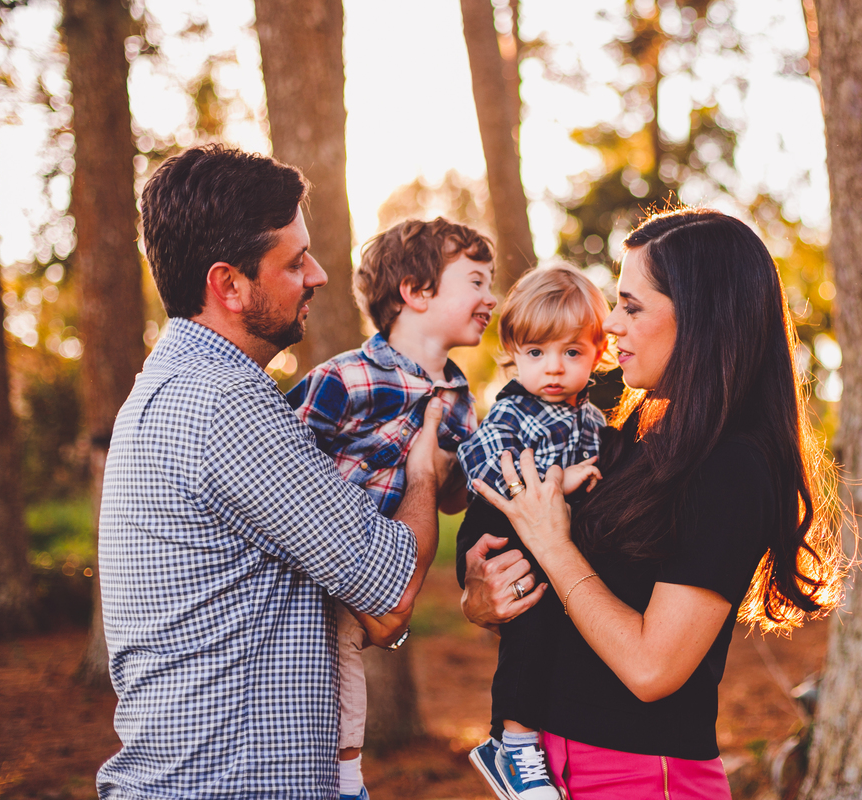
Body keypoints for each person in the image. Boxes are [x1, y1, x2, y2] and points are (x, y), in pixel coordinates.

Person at [96, 145, 452, 800]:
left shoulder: (173, 385)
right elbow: (392, 593)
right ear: (228, 284)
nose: (317, 274)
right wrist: (425, 466)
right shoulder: (226, 402)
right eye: (294, 261)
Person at [461, 208, 844, 798]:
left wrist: (552, 544)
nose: (610, 325)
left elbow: (651, 669)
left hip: (642, 777)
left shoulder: (732, 466)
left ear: (701, 318)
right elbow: (575, 604)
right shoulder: (633, 433)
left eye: (632, 306)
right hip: (554, 766)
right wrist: (485, 596)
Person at [285, 217, 498, 800]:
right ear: (416, 291)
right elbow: (282, 465)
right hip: (307, 573)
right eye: (476, 281)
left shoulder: (458, 402)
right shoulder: (346, 377)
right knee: (307, 698)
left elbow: (453, 499)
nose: (491, 298)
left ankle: (347, 784)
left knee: (347, 695)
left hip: (372, 587)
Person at [453, 265, 611, 800]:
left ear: (598, 353)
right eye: (537, 353)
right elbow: (480, 468)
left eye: (571, 353)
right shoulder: (512, 410)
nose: (553, 368)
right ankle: (512, 744)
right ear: (513, 354)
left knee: (557, 627)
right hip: (496, 534)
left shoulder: (592, 419)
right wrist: (557, 480)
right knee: (535, 622)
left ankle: (533, 737)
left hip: (547, 540)